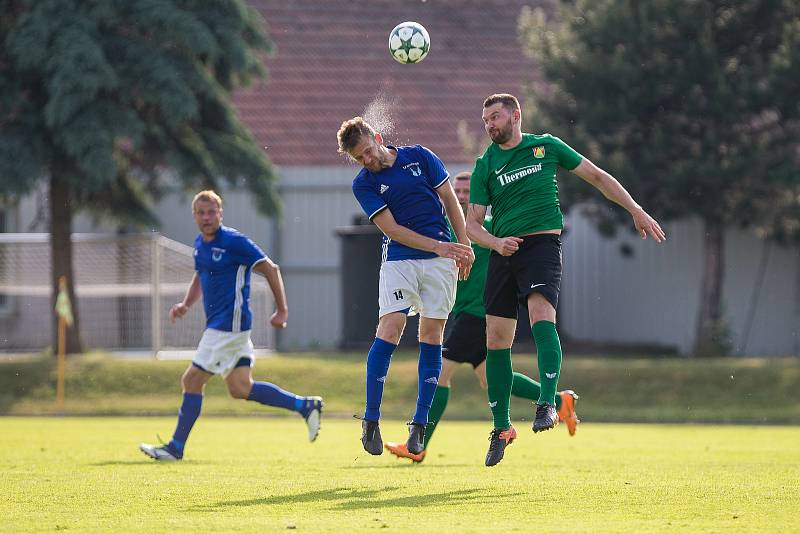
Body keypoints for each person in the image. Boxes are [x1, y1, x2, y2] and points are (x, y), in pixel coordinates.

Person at [466, 94, 666, 466]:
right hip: (503, 254)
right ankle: (502, 428)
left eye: (495, 117)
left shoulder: (546, 146)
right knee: (495, 340)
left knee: (542, 315)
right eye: (485, 121)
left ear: (516, 115)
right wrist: (496, 243)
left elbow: (597, 176)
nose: (490, 125)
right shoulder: (486, 165)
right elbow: (471, 224)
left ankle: (547, 402)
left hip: (541, 246)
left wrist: (634, 210)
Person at [384, 172, 580, 464]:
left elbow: (515, 253)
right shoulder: (444, 230)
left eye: (466, 191)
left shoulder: (486, 231)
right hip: (461, 312)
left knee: (439, 374)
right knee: (493, 380)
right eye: (456, 191)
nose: (462, 195)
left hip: (477, 314)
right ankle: (558, 401)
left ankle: (419, 444)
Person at [139, 190, 323, 461]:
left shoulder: (235, 242)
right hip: (225, 327)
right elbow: (201, 275)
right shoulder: (200, 244)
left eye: (211, 212)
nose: (206, 217)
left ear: (220, 214)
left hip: (228, 326)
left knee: (191, 380)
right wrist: (186, 304)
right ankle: (304, 405)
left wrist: (282, 310)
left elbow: (271, 269)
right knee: (240, 388)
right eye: (201, 213)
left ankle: (175, 448)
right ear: (194, 216)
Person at [336, 117, 475, 457]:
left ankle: (419, 425)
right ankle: (371, 420)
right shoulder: (363, 184)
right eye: (359, 158)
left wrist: (463, 244)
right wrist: (440, 247)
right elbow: (393, 230)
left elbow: (450, 201)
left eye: (368, 152)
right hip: (400, 259)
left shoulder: (421, 157)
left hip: (440, 262)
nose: (367, 161)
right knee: (391, 327)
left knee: (431, 336)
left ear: (378, 138)